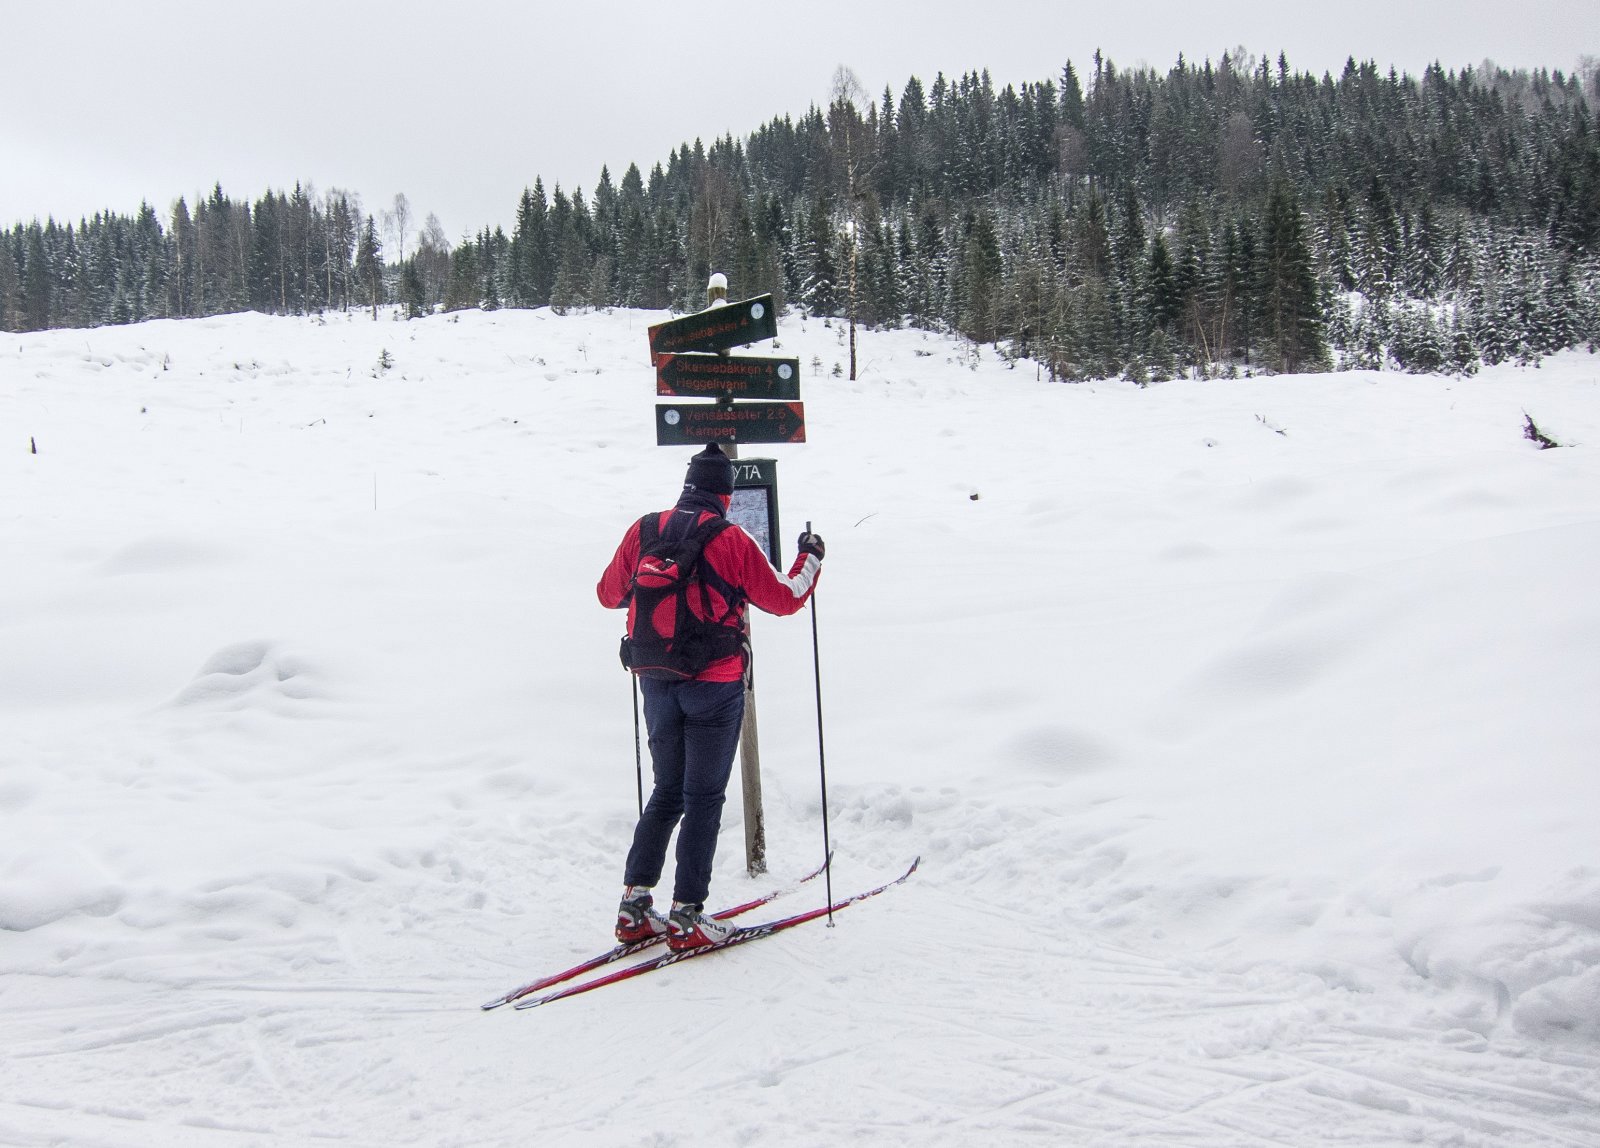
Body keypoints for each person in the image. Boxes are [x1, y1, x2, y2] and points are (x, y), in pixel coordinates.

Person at [597, 442, 824, 950]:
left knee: (666, 792)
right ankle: (688, 915)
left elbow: (607, 594)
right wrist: (811, 557)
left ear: (686, 486)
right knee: (703, 796)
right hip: (715, 685)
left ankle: (635, 907)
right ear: (724, 494)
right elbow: (784, 600)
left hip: (655, 679)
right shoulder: (730, 538)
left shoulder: (644, 530)